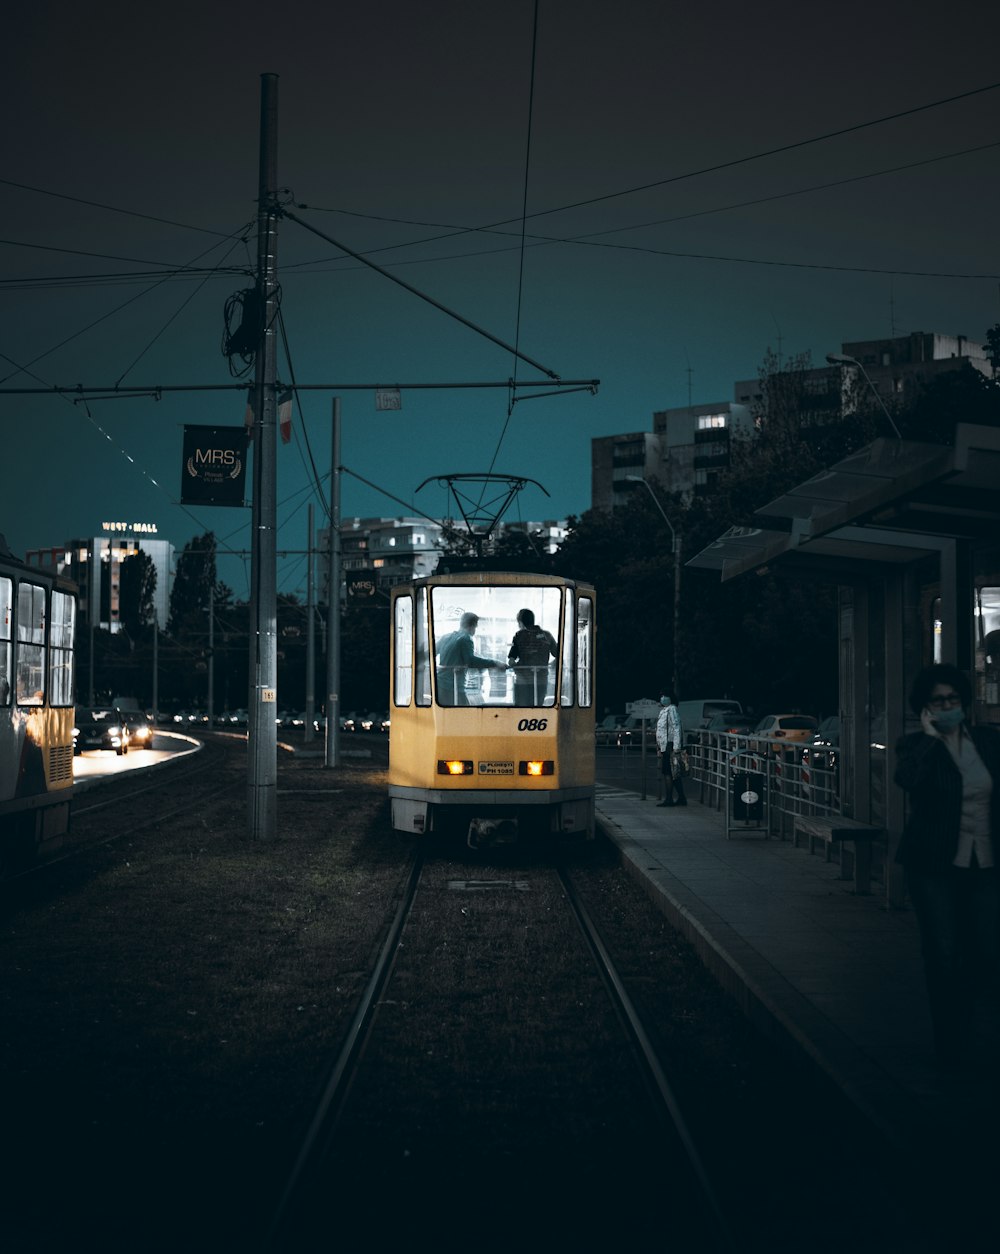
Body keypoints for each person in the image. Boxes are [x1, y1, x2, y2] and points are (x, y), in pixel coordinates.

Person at [894, 663, 1000, 1070]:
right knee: (942, 953)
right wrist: (932, 738)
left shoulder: (988, 743)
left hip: (984, 864)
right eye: (938, 701)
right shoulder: (916, 746)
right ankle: (950, 1044)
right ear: (926, 707)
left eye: (953, 699)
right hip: (934, 866)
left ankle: (966, 1024)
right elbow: (908, 780)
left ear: (964, 701)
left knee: (986, 953)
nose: (947, 705)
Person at [436, 612, 501, 705]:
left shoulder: (445, 637)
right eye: (475, 627)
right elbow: (471, 661)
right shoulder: (466, 638)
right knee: (465, 715)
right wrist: (495, 663)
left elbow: (429, 653)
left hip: (439, 686)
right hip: (454, 687)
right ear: (472, 626)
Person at [507, 608, 558, 706]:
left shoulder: (519, 635)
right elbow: (559, 655)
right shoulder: (547, 635)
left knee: (521, 709)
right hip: (541, 679)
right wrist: (550, 665)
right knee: (538, 707)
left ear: (521, 622)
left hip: (522, 680)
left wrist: (513, 665)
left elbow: (511, 660)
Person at [655, 691, 687, 807]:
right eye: (661, 696)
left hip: (671, 745)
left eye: (665, 696)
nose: (662, 698)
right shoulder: (664, 711)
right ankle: (681, 798)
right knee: (674, 773)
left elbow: (676, 727)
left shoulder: (672, 709)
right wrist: (659, 746)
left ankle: (669, 799)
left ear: (671, 698)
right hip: (666, 745)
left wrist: (676, 747)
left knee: (668, 772)